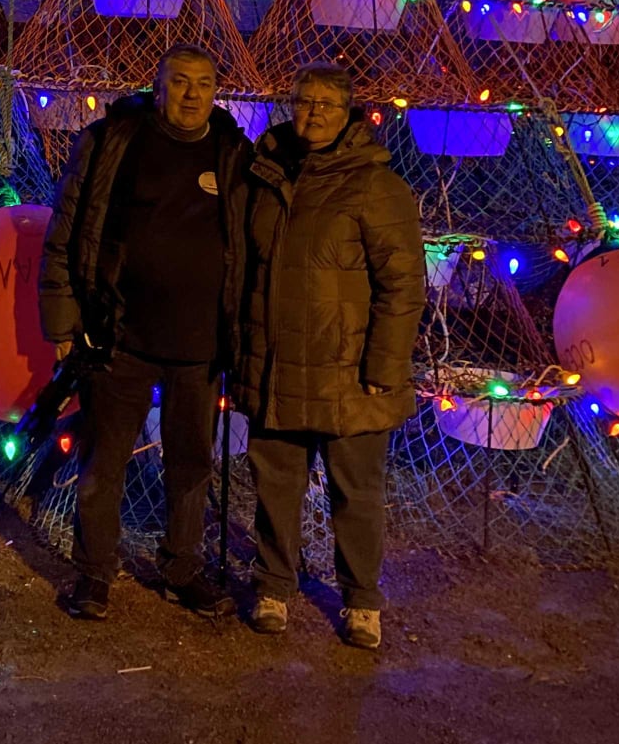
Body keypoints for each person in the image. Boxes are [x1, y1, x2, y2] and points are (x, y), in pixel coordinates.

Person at [38, 46, 250, 621]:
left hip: (199, 347)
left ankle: (183, 568)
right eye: (179, 82)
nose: (190, 95)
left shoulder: (233, 153)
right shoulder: (114, 142)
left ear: (215, 91)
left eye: (203, 84)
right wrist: (62, 321)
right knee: (104, 461)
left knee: (190, 464)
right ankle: (93, 573)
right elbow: (67, 229)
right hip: (119, 335)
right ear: (158, 86)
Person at [235, 62, 425, 651]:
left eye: (328, 104)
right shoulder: (265, 175)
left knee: (356, 491)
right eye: (304, 101)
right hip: (275, 361)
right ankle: (273, 585)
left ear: (349, 115)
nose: (314, 113)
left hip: (349, 373)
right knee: (275, 484)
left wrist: (384, 368)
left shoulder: (375, 185)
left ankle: (361, 599)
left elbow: (403, 285)